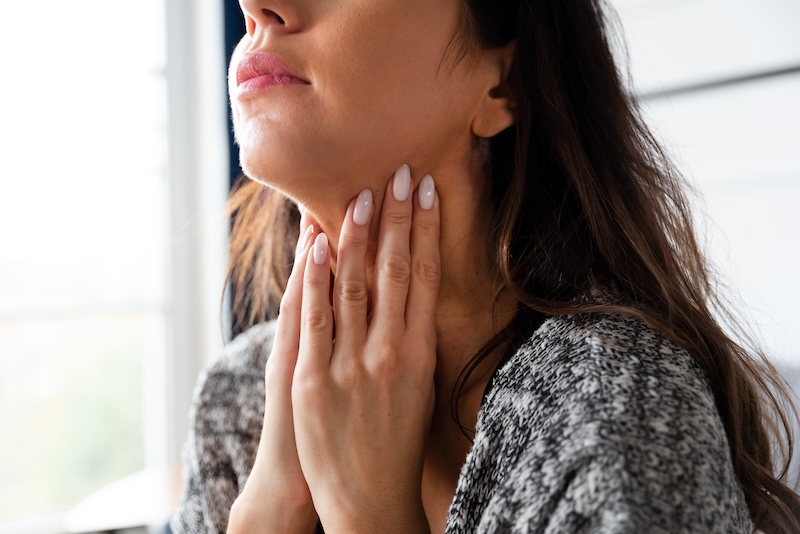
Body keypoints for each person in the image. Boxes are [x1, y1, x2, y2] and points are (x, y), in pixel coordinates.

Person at [171, 0, 800, 532]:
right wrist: (266, 513)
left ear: (505, 84)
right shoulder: (240, 402)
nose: (255, 5)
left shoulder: (618, 412)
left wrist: (370, 517)